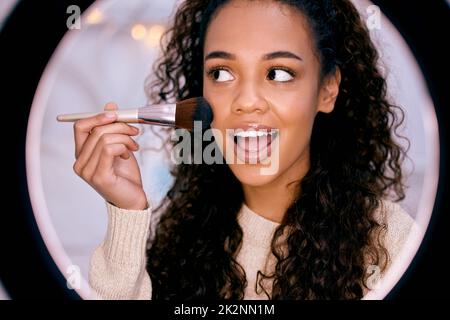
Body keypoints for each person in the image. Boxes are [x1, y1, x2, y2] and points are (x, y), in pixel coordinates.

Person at [73, 0, 416, 300]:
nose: (247, 102)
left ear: (326, 90)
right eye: (221, 73)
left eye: (279, 73)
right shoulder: (183, 238)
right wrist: (127, 212)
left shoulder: (389, 244)